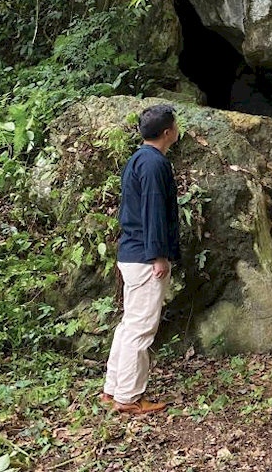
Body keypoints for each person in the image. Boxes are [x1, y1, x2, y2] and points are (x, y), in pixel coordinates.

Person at [99, 104, 181, 415]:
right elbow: (153, 212)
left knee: (129, 325)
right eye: (175, 125)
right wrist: (158, 256)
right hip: (145, 257)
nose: (177, 130)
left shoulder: (139, 158)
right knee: (141, 329)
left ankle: (113, 389)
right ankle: (128, 398)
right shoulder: (154, 164)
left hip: (132, 252)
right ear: (166, 132)